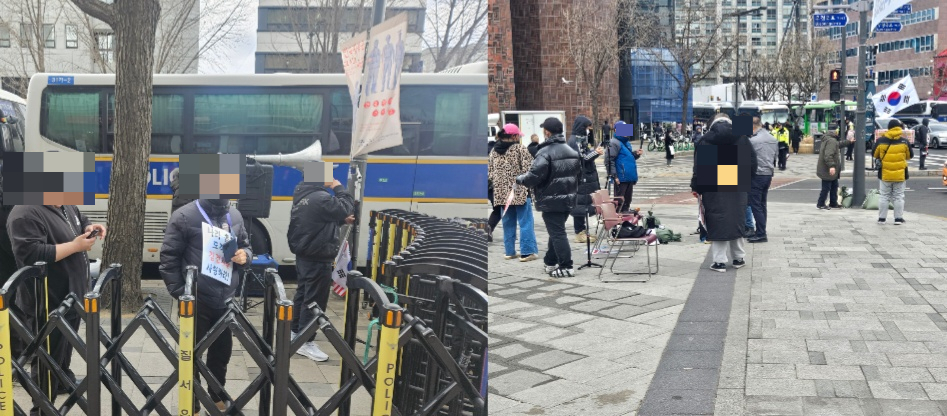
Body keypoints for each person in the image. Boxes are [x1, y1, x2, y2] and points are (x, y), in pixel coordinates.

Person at [7, 204, 106, 414]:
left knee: (61, 357)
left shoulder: (65, 206)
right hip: (47, 302)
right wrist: (75, 246)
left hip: (71, 297)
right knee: (46, 362)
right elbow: (32, 254)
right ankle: (41, 409)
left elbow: (80, 219)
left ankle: (57, 391)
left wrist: (89, 228)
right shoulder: (25, 211)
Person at [160, 199, 251, 412]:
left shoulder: (235, 215)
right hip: (196, 300)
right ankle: (192, 399)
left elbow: (246, 245)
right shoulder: (184, 216)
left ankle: (217, 394)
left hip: (226, 298)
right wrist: (182, 294)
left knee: (221, 353)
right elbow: (169, 258)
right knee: (191, 354)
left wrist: (244, 256)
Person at [287, 171, 355, 361]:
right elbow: (346, 207)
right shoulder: (321, 197)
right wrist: (338, 187)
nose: (331, 177)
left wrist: (341, 221)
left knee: (303, 293)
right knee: (315, 299)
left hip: (305, 254)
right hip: (318, 255)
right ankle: (306, 341)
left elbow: (317, 219)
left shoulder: (304, 195)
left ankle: (295, 331)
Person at [690, 113, 757, 272]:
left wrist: (696, 187)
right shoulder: (742, 138)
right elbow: (753, 164)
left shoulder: (705, 140)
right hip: (737, 184)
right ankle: (738, 258)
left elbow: (698, 168)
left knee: (717, 220)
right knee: (737, 219)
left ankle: (719, 261)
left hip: (713, 185)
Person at [516, 117, 581, 278]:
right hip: (568, 199)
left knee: (558, 233)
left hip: (551, 200)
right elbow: (577, 176)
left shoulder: (544, 153)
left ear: (547, 132)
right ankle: (550, 261)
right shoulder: (571, 151)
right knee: (556, 230)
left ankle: (566, 266)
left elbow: (533, 176)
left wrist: (520, 178)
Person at [489, 124, 538, 261]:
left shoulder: (494, 151)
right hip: (520, 191)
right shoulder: (519, 149)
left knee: (508, 222)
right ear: (514, 136)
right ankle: (527, 252)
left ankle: (509, 252)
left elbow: (490, 173)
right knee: (525, 221)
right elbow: (530, 169)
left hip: (501, 194)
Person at [566, 116, 603, 243]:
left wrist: (593, 152)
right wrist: (595, 153)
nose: (588, 130)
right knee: (579, 205)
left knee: (584, 204)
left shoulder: (581, 139)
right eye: (587, 127)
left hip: (584, 177)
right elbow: (582, 158)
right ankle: (579, 232)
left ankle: (583, 231)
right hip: (580, 178)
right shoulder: (574, 141)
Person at [873, 119, 913, 225]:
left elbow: (875, 154)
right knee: (898, 196)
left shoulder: (881, 140)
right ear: (899, 127)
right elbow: (910, 156)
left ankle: (882, 219)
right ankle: (898, 219)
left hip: (885, 173)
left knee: (884, 196)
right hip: (900, 174)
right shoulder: (904, 141)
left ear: (889, 128)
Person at [747, 116, 778, 243]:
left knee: (756, 205)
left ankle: (761, 233)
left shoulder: (753, 141)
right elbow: (774, 157)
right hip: (768, 174)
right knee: (762, 204)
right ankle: (761, 229)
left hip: (757, 174)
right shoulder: (772, 138)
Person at [608, 121, 643, 213]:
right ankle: (617, 221)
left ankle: (626, 221)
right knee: (619, 201)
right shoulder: (614, 143)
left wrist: (636, 154)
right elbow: (609, 160)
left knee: (627, 200)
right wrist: (614, 176)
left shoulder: (627, 143)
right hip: (621, 177)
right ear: (616, 130)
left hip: (629, 177)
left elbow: (627, 158)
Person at [816, 130, 842, 210]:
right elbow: (828, 155)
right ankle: (820, 203)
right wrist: (831, 166)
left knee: (834, 186)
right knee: (826, 187)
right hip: (827, 169)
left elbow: (838, 144)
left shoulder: (829, 139)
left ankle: (833, 203)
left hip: (825, 168)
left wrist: (848, 142)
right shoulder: (831, 141)